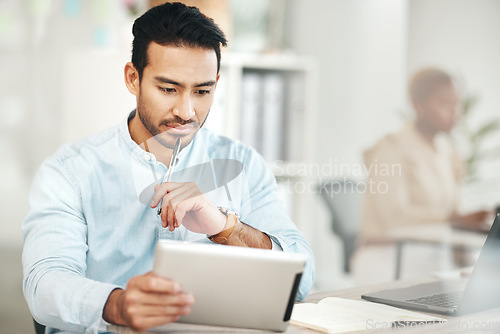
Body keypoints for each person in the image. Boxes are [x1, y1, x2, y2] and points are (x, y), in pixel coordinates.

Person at [22, 3, 314, 333]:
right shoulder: (69, 172)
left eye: (202, 91)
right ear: (133, 78)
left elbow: (302, 281)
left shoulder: (244, 164)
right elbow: (43, 285)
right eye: (168, 89)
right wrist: (117, 304)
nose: (186, 111)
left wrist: (225, 227)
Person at [352, 68, 491, 284]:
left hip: (435, 256)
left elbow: (451, 213)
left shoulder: (449, 153)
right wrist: (453, 220)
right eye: (445, 103)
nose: (454, 112)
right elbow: (395, 218)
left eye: (457, 103)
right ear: (418, 105)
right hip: (388, 258)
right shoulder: (390, 149)